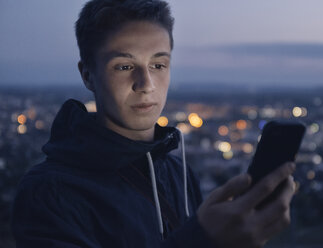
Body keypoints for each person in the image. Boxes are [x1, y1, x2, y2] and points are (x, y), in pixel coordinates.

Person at [11, 0, 296, 247]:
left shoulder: (178, 173)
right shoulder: (49, 192)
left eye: (158, 65)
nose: (146, 84)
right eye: (124, 66)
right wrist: (204, 240)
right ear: (87, 75)